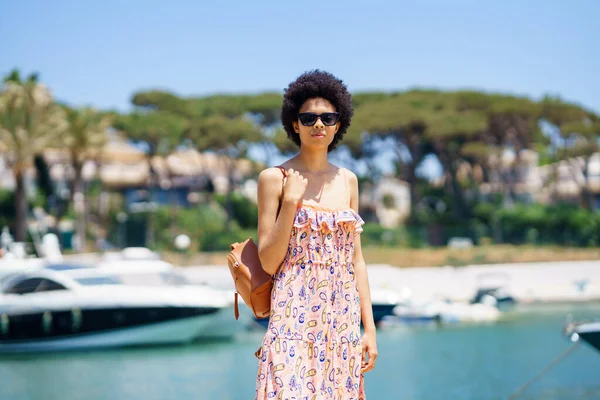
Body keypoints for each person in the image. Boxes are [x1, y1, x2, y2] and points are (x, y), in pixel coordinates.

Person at [255, 70, 377, 400]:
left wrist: (370, 329)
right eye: (308, 118)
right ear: (294, 124)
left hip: (342, 315)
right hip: (293, 312)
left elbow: (357, 261)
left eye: (328, 117)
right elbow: (267, 261)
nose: (318, 125)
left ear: (339, 124)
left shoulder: (349, 180)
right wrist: (291, 202)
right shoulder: (274, 178)